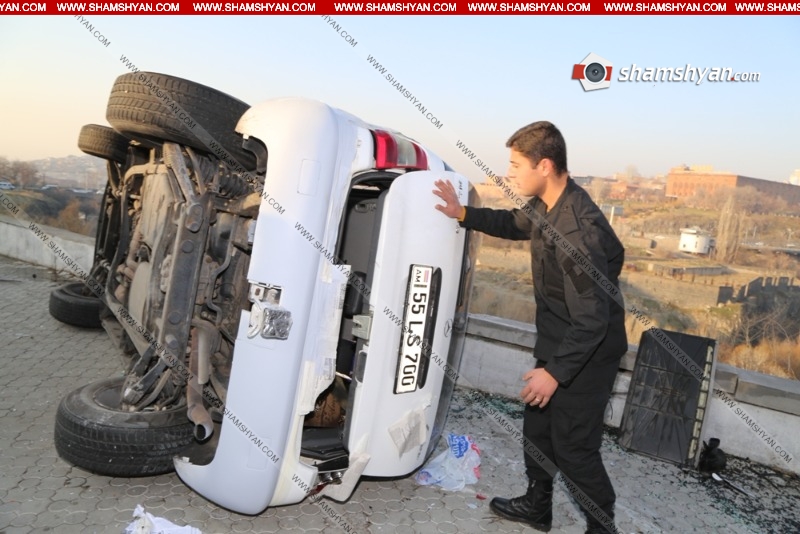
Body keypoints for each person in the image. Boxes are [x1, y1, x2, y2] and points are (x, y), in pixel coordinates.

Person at [433, 121, 627, 534]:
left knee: (574, 448)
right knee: (539, 428)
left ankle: (602, 528)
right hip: (561, 340)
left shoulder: (577, 230)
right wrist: (462, 213)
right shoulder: (547, 205)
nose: (508, 173)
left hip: (589, 352)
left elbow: (592, 318)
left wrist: (555, 373)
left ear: (544, 165)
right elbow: (513, 224)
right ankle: (538, 507)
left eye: (515, 165)